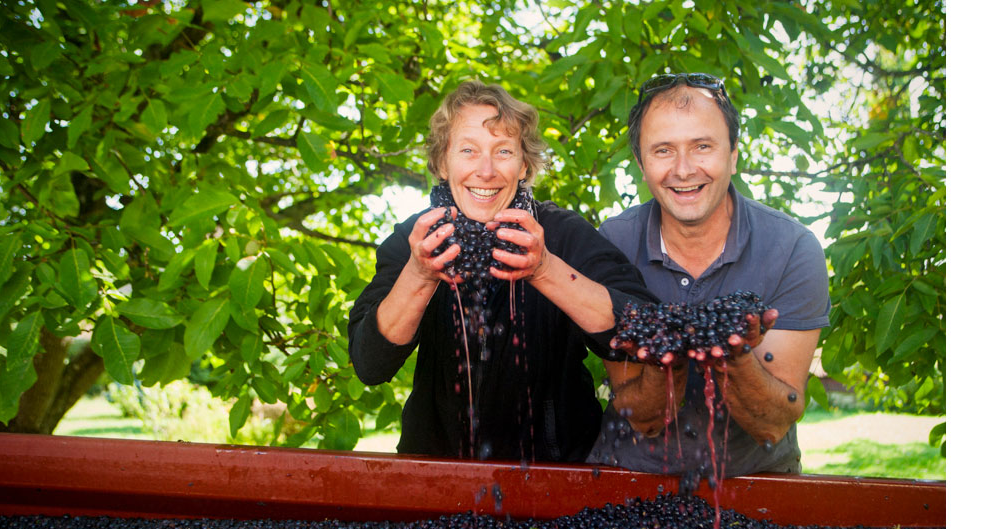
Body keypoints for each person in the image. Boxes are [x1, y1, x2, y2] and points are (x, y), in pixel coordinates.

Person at [348, 80, 653, 462]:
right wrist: (420, 274)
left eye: (503, 151)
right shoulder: (415, 239)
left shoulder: (563, 234)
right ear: (443, 163)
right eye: (468, 151)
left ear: (524, 164)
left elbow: (645, 333)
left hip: (554, 480)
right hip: (436, 474)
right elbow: (369, 363)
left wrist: (544, 269)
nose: (486, 170)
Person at [585, 73, 830, 482]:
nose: (683, 169)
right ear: (642, 164)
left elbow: (772, 424)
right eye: (663, 150)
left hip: (756, 483)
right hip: (630, 478)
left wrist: (732, 355)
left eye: (702, 146)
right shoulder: (612, 244)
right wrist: (669, 360)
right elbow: (642, 418)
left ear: (733, 154)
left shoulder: (793, 249)